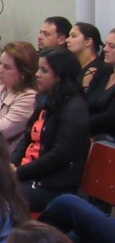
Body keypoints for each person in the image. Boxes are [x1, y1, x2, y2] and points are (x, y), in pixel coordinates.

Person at [10, 47, 89, 212]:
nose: (37, 74)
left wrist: (20, 172)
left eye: (44, 70)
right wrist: (11, 163)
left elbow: (60, 155)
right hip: (29, 176)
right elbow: (27, 138)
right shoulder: (47, 100)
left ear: (60, 75)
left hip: (51, 187)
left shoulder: (74, 108)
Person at [88, 27, 115, 138]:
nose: (104, 49)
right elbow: (85, 101)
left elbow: (110, 118)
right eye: (105, 44)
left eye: (112, 46)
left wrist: (78, 125)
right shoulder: (104, 71)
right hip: (90, 132)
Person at [67, 20, 105, 95]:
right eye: (69, 36)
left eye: (73, 36)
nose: (67, 40)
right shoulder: (75, 66)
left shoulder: (93, 70)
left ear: (88, 41)